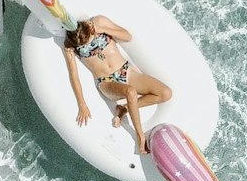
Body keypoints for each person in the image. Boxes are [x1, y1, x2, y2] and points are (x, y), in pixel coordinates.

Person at [62, 16, 172, 152]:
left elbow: (127, 37)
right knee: (130, 91)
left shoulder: (99, 22)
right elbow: (73, 75)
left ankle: (124, 108)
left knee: (166, 93)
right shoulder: (70, 45)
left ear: (89, 29)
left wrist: (103, 29)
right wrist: (82, 104)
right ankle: (140, 136)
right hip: (107, 81)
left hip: (126, 71)